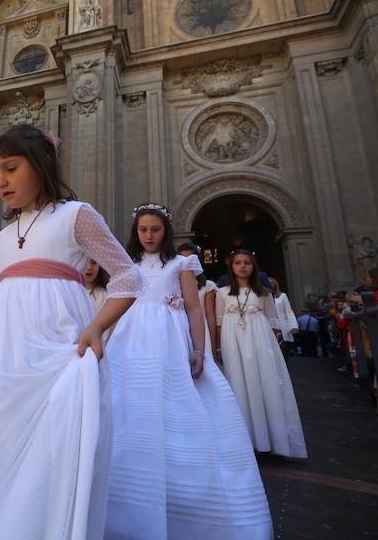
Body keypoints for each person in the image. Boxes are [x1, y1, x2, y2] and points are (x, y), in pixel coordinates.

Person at [0, 125, 141, 540]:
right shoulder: (7, 233)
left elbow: (128, 278)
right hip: (3, 349)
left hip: (57, 342)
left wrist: (97, 328)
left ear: (43, 164)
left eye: (11, 168)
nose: (2, 181)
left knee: (50, 448)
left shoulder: (75, 215)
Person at [104, 206, 271, 539]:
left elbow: (194, 307)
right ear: (135, 232)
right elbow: (117, 305)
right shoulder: (127, 266)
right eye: (143, 230)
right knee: (128, 401)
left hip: (169, 338)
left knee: (174, 403)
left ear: (165, 231)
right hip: (131, 339)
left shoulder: (181, 264)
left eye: (155, 229)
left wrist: (198, 349)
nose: (149, 236)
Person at [217, 249, 307, 458]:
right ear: (231, 266)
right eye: (238, 262)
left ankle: (271, 437)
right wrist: (219, 348)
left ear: (253, 266)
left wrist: (275, 345)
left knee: (265, 382)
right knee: (238, 383)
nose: (242, 266)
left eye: (246, 262)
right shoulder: (222, 293)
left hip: (260, 339)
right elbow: (219, 322)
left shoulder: (264, 293)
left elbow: (272, 320)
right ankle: (245, 438)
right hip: (233, 341)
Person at [178, 242, 219, 359]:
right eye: (182, 260)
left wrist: (213, 343)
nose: (186, 264)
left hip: (201, 329)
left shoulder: (207, 286)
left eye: (190, 259)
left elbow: (210, 315)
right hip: (180, 328)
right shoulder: (174, 284)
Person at [271, 277, 298, 358]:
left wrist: (293, 326)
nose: (271, 285)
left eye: (272, 283)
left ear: (276, 285)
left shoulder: (282, 296)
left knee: (283, 349)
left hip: (282, 326)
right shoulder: (264, 297)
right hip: (271, 327)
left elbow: (288, 311)